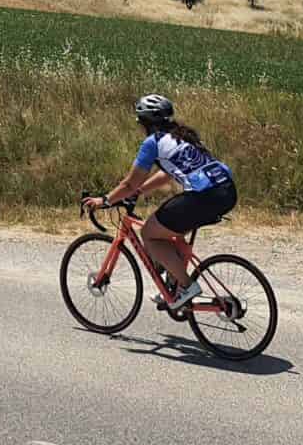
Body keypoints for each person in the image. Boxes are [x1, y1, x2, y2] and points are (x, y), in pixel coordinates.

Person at [83, 93, 236, 303]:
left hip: (203, 197)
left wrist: (105, 200)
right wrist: (140, 191)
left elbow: (129, 183)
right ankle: (174, 287)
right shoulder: (184, 135)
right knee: (172, 231)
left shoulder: (152, 143)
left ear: (144, 122)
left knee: (149, 234)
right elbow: (167, 173)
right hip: (226, 191)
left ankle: (186, 287)